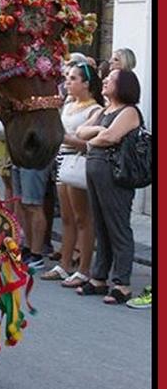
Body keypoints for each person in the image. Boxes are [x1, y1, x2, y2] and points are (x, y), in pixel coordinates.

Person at [75, 69, 142, 304]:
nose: (104, 81)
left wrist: (92, 141)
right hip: (96, 172)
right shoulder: (104, 111)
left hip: (115, 176)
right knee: (101, 226)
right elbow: (80, 131)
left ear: (123, 85)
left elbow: (111, 137)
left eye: (111, 79)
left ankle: (122, 284)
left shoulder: (129, 111)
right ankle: (99, 278)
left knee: (117, 226)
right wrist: (97, 131)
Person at [41, 63, 103, 286]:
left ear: (86, 83)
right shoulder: (68, 105)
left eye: (73, 78)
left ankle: (84, 268)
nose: (67, 82)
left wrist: (61, 136)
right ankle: (64, 264)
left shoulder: (96, 110)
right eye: (67, 77)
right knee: (67, 218)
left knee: (82, 218)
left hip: (79, 162)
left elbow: (87, 142)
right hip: (62, 161)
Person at [12, 161, 55, 270]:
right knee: (23, 204)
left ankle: (36, 254)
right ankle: (28, 248)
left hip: (35, 157)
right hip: (19, 156)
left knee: (34, 205)